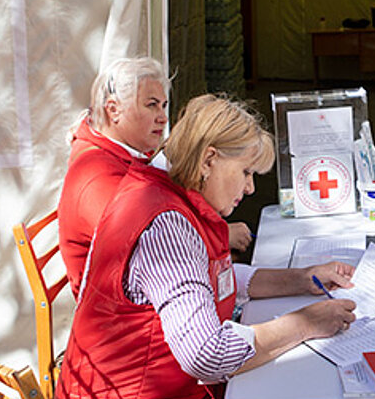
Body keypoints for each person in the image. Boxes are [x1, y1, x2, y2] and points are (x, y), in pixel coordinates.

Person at [53, 94, 366, 399]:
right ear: (209, 160)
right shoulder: (167, 226)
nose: (251, 188)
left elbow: (206, 280)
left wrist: (302, 280)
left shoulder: (157, 191)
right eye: (247, 173)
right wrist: (307, 322)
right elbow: (207, 354)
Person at [58, 57, 252, 298]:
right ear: (113, 110)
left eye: (163, 106)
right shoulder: (96, 175)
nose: (163, 117)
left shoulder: (128, 153)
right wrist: (221, 234)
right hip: (124, 311)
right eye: (151, 105)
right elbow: (153, 248)